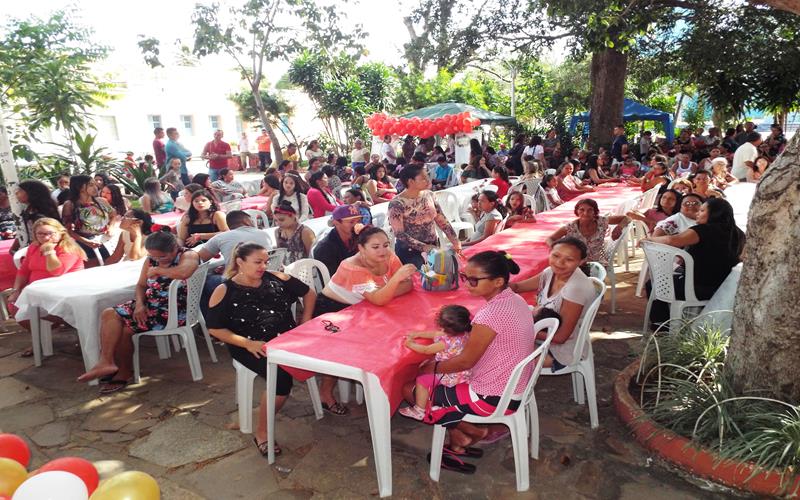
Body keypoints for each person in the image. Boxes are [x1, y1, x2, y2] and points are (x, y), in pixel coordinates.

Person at [401, 251, 534, 458]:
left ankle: (475, 430)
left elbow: (465, 361)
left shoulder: (490, 315)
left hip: (491, 397)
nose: (467, 284)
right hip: (514, 385)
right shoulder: (515, 300)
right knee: (435, 380)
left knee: (412, 389)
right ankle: (459, 439)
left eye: (473, 280)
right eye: (464, 277)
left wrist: (431, 367)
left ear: (498, 281)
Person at [207, 242, 316, 455]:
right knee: (281, 379)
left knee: (328, 352)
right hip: (250, 345)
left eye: (265, 262)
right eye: (258, 262)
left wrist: (306, 318)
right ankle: (262, 433)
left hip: (287, 340)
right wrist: (248, 343)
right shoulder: (225, 290)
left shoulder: (277, 277)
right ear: (240, 262)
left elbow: (309, 293)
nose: (263, 267)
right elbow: (215, 329)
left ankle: (326, 397)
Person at [77, 230, 200, 391]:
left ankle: (123, 371)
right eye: (153, 256)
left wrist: (159, 270)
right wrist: (140, 304)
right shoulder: (151, 260)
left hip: (174, 310)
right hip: (150, 305)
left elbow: (184, 272)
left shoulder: (188, 255)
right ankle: (106, 361)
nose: (156, 260)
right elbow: (141, 285)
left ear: (175, 248)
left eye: (162, 256)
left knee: (125, 330)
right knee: (109, 313)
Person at [313, 226, 417, 414]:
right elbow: (380, 298)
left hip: (363, 307)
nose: (383, 250)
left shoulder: (389, 256)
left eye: (386, 245)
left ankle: (389, 383)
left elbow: (407, 285)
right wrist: (393, 283)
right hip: (333, 310)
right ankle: (325, 393)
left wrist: (386, 291)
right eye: (375, 247)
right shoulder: (352, 266)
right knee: (340, 350)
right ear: (361, 249)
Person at [643, 197, 745, 325]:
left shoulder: (702, 230)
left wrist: (650, 239)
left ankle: (661, 326)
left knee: (654, 283)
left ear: (713, 213)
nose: (697, 213)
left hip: (698, 287)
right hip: (723, 286)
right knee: (673, 275)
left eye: (702, 210)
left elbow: (672, 240)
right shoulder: (739, 233)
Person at [510, 238, 598, 372]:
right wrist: (494, 278)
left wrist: (522, 331)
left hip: (561, 350)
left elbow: (561, 338)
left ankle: (516, 391)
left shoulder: (575, 289)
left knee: (501, 357)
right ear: (550, 252)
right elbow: (516, 287)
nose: (559, 263)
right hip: (544, 335)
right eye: (556, 255)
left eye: (569, 260)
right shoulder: (550, 273)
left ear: (581, 262)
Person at [8, 218, 86, 328]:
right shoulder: (34, 247)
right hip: (39, 291)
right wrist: (16, 290)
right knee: (14, 305)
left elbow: (57, 271)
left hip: (62, 293)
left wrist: (49, 251)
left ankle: (69, 322)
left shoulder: (68, 248)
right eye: (40, 234)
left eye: (50, 233)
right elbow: (23, 271)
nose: (45, 237)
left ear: (60, 233)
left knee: (26, 307)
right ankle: (41, 338)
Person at [400, 305, 472, 420]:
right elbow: (435, 334)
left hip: (450, 376)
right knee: (428, 365)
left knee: (422, 380)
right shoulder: (462, 334)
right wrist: (417, 334)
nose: (439, 329)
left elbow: (426, 350)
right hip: (463, 373)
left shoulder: (446, 342)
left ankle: (419, 410)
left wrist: (410, 344)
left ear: (446, 329)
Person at [388, 164, 462, 268]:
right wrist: (425, 247)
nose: (428, 180)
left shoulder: (429, 195)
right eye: (423, 178)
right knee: (421, 279)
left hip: (433, 246)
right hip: (410, 252)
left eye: (427, 177)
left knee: (439, 276)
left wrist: (455, 241)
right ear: (411, 182)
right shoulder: (397, 204)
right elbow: (399, 234)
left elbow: (441, 220)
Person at [545, 199, 627, 266]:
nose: (585, 213)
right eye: (582, 210)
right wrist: (556, 249)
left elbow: (626, 218)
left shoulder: (602, 221)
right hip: (575, 263)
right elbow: (550, 238)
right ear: (577, 211)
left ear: (595, 212)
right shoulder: (570, 227)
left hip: (597, 262)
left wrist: (619, 227)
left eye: (590, 210)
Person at [61, 175, 116, 268]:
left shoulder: (101, 201)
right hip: (84, 243)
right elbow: (68, 230)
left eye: (95, 184)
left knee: (111, 266)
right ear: (79, 187)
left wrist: (111, 227)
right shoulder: (70, 205)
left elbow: (113, 215)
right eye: (91, 185)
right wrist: (86, 242)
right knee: (95, 269)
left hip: (105, 240)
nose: (96, 187)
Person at [314, 205, 362, 275]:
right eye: (351, 222)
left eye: (359, 221)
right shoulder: (324, 248)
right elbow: (334, 279)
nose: (356, 224)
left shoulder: (361, 236)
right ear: (336, 222)